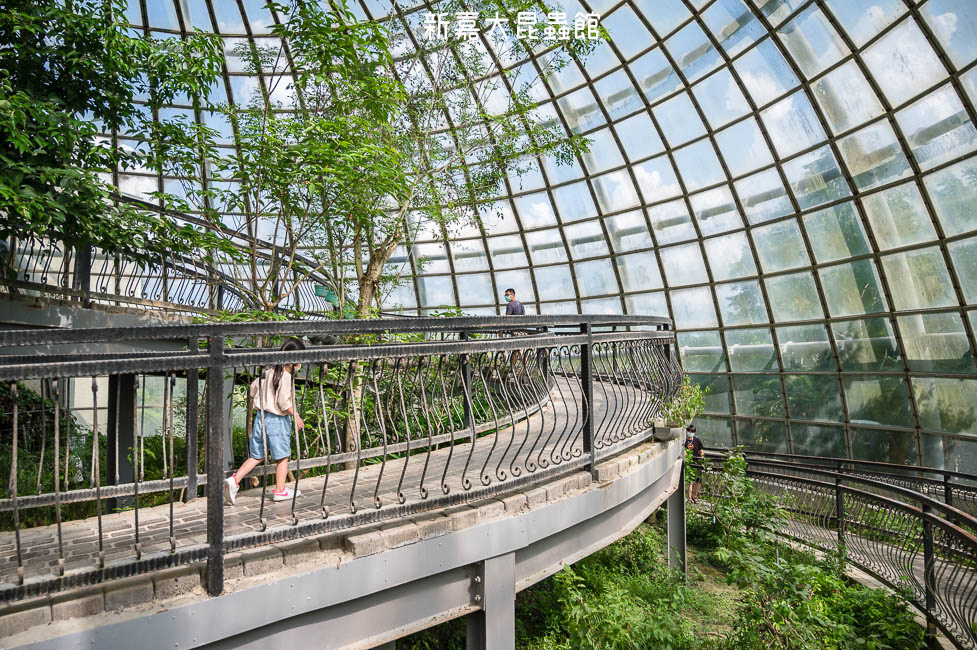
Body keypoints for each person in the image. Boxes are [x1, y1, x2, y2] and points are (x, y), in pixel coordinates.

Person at [224, 337, 306, 505]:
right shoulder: (285, 377)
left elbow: (253, 389)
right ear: (294, 360)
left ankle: (234, 480)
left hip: (261, 418)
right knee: (283, 457)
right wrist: (296, 416)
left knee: (257, 455)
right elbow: (284, 403)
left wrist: (263, 401)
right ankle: (280, 490)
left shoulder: (268, 372)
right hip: (277, 420)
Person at [685, 425, 705, 504]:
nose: (690, 433)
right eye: (689, 431)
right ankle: (689, 498)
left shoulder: (697, 440)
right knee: (690, 481)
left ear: (694, 432)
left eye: (692, 432)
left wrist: (702, 457)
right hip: (689, 463)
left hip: (697, 462)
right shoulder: (684, 441)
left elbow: (701, 450)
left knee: (698, 480)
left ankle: (695, 496)